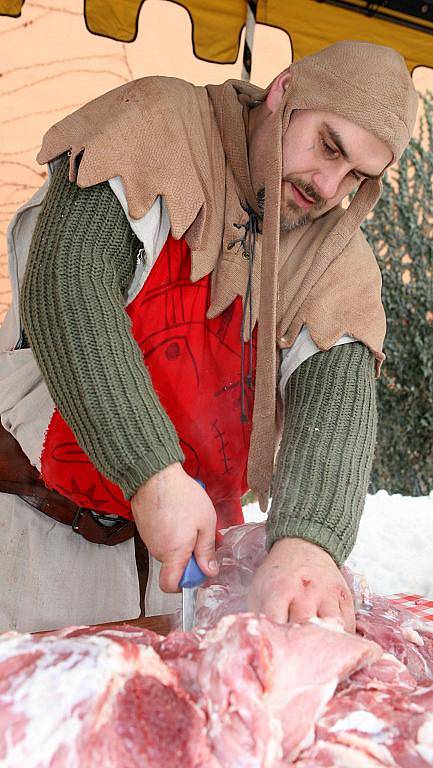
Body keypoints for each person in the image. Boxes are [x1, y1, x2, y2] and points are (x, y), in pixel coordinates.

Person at [0, 40, 417, 633]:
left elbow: (336, 404)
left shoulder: (336, 254)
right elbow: (69, 284)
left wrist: (308, 544)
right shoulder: (157, 123)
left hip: (182, 568)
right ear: (285, 92)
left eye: (356, 175)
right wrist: (152, 471)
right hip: (32, 542)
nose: (329, 186)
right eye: (328, 147)